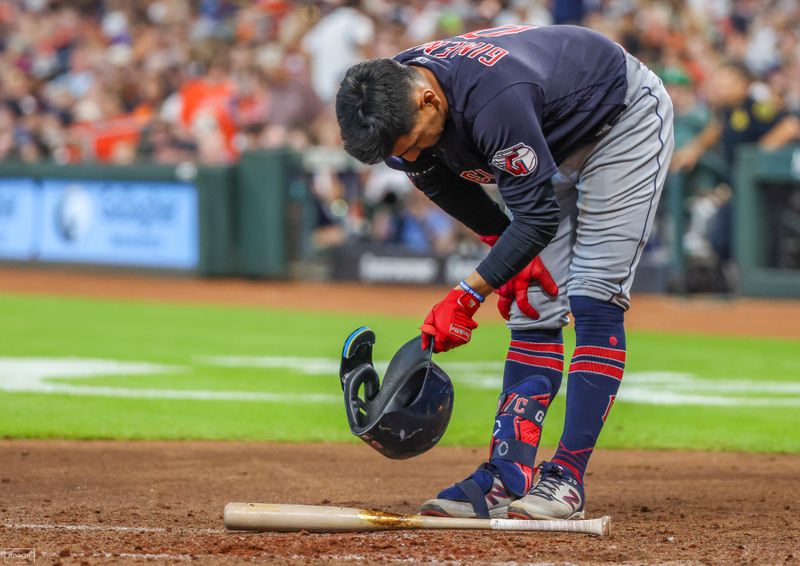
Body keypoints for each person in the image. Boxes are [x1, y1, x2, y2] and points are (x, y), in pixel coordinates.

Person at [335, 24, 674, 520]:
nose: (406, 157)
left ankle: (565, 479)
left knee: (593, 296)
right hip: (544, 135)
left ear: (429, 101)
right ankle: (507, 474)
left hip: (619, 121)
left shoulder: (493, 99)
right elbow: (440, 182)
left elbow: (536, 218)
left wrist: (468, 293)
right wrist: (503, 255)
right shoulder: (394, 97)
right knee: (532, 302)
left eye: (409, 144)